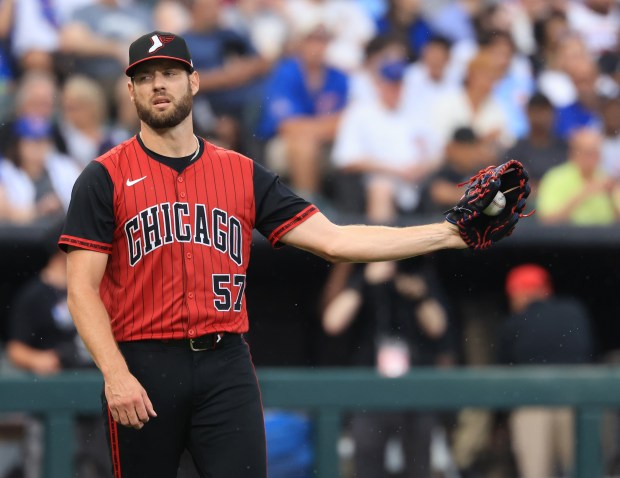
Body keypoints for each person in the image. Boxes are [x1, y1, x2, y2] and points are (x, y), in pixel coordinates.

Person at [57, 30, 471, 478]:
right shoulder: (103, 177)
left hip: (224, 362)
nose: (159, 84)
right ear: (131, 88)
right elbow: (81, 289)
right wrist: (115, 374)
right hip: (142, 362)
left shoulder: (240, 172)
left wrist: (450, 233)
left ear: (193, 82)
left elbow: (335, 241)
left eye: (170, 73)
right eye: (147, 76)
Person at [5, 223, 109, 478]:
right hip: (54, 392)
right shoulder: (34, 294)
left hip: (97, 394)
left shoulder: (97, 289)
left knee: (98, 467)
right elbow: (15, 348)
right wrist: (39, 359)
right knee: (46, 465)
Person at [497, 263, 594, 478]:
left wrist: (500, 422)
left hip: (533, 404)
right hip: (576, 401)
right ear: (546, 290)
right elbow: (589, 352)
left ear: (518, 294)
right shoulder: (574, 309)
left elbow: (503, 374)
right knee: (584, 471)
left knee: (536, 474)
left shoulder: (514, 322)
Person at [536, 126, 619, 225]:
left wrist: (610, 197)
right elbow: (546, 219)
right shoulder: (555, 178)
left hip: (605, 238)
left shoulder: (606, 179)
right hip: (567, 238)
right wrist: (583, 194)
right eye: (588, 153)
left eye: (596, 153)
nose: (593, 158)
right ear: (573, 153)